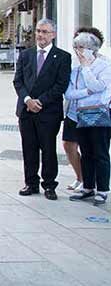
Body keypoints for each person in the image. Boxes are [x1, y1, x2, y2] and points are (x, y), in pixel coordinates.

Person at [13, 19, 71, 200]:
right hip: (26, 111)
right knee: (29, 148)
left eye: (45, 32)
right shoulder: (26, 55)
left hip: (48, 112)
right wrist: (28, 100)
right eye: (38, 31)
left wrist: (40, 101)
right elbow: (18, 81)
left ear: (53, 35)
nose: (40, 35)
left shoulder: (63, 57)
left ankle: (49, 185)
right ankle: (31, 183)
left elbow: (61, 85)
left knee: (48, 149)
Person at [65, 32, 111, 206]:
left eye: (82, 47)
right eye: (76, 47)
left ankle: (103, 189)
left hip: (100, 115)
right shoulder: (75, 70)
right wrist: (87, 92)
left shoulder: (104, 66)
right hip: (80, 115)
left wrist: (86, 69)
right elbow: (70, 93)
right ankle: (88, 186)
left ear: (92, 49)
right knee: (86, 153)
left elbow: (99, 86)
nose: (78, 51)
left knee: (100, 152)